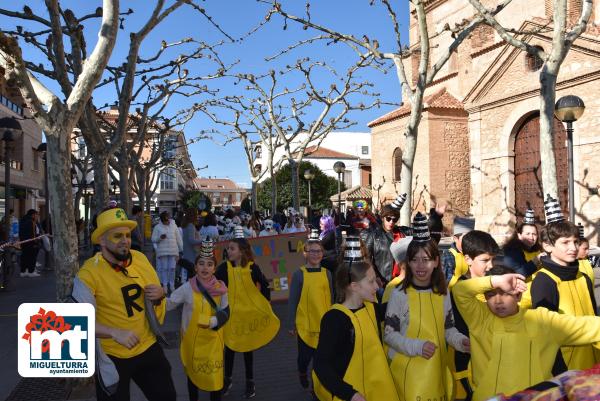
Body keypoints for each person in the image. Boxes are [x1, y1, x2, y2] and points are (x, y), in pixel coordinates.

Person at [71, 208, 175, 401]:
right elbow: (77, 322)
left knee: (167, 396)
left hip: (148, 347)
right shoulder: (88, 275)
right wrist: (114, 332)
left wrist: (161, 294)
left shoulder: (140, 258)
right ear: (102, 240)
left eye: (127, 235)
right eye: (117, 235)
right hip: (113, 357)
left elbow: (156, 291)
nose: (125, 240)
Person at [453, 266, 600, 401]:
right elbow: (459, 290)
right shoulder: (480, 318)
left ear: (519, 296)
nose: (498, 301)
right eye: (491, 295)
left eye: (505, 293)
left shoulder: (544, 321)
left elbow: (591, 327)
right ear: (485, 297)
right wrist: (496, 281)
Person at [384, 213, 469, 401]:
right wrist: (417, 346)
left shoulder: (442, 292)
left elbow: (448, 328)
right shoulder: (399, 294)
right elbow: (389, 335)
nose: (420, 265)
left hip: (437, 371)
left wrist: (461, 342)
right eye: (415, 260)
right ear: (408, 262)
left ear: (436, 261)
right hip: (408, 374)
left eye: (426, 259)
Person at [312, 236, 400, 401]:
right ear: (354, 286)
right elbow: (321, 364)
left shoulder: (370, 307)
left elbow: (389, 308)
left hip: (375, 389)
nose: (377, 286)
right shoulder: (335, 319)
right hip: (350, 395)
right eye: (371, 281)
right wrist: (350, 394)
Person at [530, 195, 599, 373]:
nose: (573, 248)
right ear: (547, 246)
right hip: (564, 369)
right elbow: (545, 331)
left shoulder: (582, 276)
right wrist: (560, 375)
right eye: (565, 242)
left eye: (575, 242)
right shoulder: (544, 281)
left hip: (592, 363)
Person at [215, 227, 280, 399]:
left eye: (232, 248)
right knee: (229, 349)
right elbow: (213, 283)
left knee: (247, 351)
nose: (228, 251)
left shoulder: (252, 268)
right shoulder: (223, 268)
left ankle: (250, 382)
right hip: (231, 317)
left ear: (242, 252)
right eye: (228, 248)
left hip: (248, 316)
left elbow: (264, 285)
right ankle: (227, 380)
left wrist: (266, 304)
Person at [168, 238, 229, 401]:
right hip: (192, 342)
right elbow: (169, 303)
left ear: (214, 268)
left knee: (215, 379)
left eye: (209, 264)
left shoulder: (221, 288)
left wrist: (213, 322)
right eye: (201, 263)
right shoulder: (187, 288)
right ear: (195, 267)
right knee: (193, 378)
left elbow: (225, 312)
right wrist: (155, 297)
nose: (205, 267)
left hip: (213, 342)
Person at [448, 229, 500, 401]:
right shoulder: (457, 290)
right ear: (468, 259)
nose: (490, 266)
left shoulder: (495, 283)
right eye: (485, 260)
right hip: (468, 367)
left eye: (492, 260)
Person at [287, 230, 334, 390]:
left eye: (319, 251)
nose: (316, 254)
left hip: (324, 323)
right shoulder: (299, 274)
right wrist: (291, 324)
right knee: (305, 357)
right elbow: (293, 300)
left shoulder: (327, 273)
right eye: (312, 251)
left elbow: (332, 297)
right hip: (305, 324)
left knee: (320, 359)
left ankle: (317, 389)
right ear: (305, 253)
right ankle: (301, 371)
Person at [360, 194, 407, 287]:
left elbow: (426, 234)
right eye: (388, 219)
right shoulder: (374, 235)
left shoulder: (403, 232)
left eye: (395, 219)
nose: (391, 222)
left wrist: (436, 216)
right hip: (383, 283)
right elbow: (366, 258)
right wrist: (375, 277)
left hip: (402, 283)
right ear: (382, 218)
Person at [502, 208, 542, 278]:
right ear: (519, 235)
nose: (531, 237)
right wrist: (537, 260)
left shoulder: (538, 250)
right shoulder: (512, 251)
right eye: (528, 234)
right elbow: (519, 273)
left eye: (534, 234)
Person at [151, 211, 183, 295]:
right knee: (164, 269)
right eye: (165, 221)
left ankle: (172, 285)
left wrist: (181, 249)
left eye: (168, 220)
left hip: (173, 251)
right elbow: (153, 239)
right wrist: (160, 238)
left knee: (172, 268)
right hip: (162, 251)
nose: (167, 222)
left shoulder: (174, 226)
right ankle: (165, 285)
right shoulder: (157, 227)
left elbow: (178, 238)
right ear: (162, 220)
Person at [442, 216, 475, 288]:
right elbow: (442, 284)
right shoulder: (448, 256)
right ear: (455, 238)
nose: (469, 241)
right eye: (466, 238)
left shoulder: (475, 254)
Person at [181, 208, 204, 283]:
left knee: (190, 273)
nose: (197, 215)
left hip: (187, 251)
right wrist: (203, 241)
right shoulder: (190, 226)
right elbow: (192, 240)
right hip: (192, 253)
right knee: (192, 274)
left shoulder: (185, 225)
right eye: (196, 214)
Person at [19, 209, 42, 278]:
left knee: (24, 256)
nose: (37, 216)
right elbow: (33, 233)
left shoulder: (22, 220)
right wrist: (36, 242)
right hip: (31, 242)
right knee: (32, 257)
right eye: (36, 215)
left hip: (23, 242)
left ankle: (23, 271)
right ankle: (31, 271)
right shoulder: (31, 222)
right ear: (33, 215)